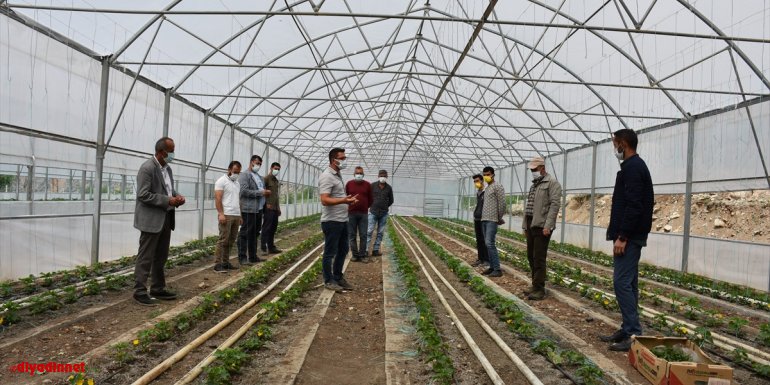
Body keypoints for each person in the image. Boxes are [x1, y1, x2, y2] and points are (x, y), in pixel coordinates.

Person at [599, 128, 654, 352]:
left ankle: (633, 333)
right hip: (631, 234)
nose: (615, 148)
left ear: (623, 143)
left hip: (629, 236)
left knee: (621, 282)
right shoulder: (632, 167)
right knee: (629, 282)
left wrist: (622, 236)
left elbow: (634, 206)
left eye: (615, 144)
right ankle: (627, 327)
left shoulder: (633, 168)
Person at [133, 137, 185, 306]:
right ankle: (140, 291)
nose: (173, 154)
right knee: (146, 256)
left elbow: (168, 189)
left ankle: (157, 288)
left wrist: (176, 196)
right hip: (151, 220)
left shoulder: (167, 169)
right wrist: (167, 200)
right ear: (162, 152)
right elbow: (142, 194)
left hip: (166, 218)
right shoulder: (147, 168)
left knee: (161, 256)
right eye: (171, 151)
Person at [522, 156, 562, 300]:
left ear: (542, 168)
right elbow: (529, 208)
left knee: (538, 257)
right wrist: (524, 226)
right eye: (531, 169)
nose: (532, 171)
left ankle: (540, 289)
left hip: (542, 225)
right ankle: (535, 284)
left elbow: (554, 205)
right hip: (531, 224)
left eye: (534, 169)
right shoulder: (534, 185)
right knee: (530, 256)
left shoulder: (552, 184)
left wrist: (548, 225)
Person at [319, 148, 358, 292]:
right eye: (342, 158)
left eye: (344, 157)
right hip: (331, 221)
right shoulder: (327, 176)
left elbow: (336, 197)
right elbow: (324, 199)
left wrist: (348, 201)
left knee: (343, 250)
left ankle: (337, 277)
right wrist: (344, 200)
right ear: (333, 160)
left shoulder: (337, 175)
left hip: (342, 220)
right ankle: (328, 280)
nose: (344, 160)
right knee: (330, 252)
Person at [238, 155, 270, 265]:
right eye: (257, 163)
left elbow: (262, 191)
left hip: (259, 209)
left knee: (255, 233)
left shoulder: (260, 178)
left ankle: (253, 256)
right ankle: (242, 257)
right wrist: (261, 193)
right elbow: (243, 191)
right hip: (248, 209)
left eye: (260, 164)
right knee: (245, 233)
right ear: (251, 162)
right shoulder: (244, 175)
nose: (258, 166)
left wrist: (265, 194)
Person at [213, 161, 243, 273]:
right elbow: (218, 198)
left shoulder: (237, 183)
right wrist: (221, 213)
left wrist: (240, 215)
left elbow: (238, 200)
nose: (236, 174)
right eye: (235, 171)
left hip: (235, 214)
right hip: (226, 214)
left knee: (231, 240)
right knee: (223, 240)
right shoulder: (221, 181)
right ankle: (217, 264)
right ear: (229, 169)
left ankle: (225, 262)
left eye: (238, 172)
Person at [480, 166, 505, 277]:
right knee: (487, 243)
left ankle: (497, 269)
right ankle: (491, 267)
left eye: (488, 174)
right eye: (484, 174)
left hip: (492, 219)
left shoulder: (497, 186)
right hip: (484, 219)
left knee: (490, 243)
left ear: (493, 174)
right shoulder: (487, 188)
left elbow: (502, 203)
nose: (486, 176)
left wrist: (499, 217)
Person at [346, 166, 373, 263]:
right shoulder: (349, 184)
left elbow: (371, 199)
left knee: (363, 235)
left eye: (360, 173)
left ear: (363, 174)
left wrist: (365, 206)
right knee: (352, 235)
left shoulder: (367, 185)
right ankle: (355, 255)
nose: (359, 175)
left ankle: (362, 255)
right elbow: (346, 197)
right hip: (351, 213)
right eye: (357, 173)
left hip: (363, 214)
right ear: (354, 174)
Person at [367, 169, 394, 257]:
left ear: (386, 177)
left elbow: (391, 200)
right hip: (373, 212)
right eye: (381, 175)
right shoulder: (372, 186)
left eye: (384, 176)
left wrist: (385, 206)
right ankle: (366, 250)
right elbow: (368, 197)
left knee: (380, 232)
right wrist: (372, 205)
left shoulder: (389, 188)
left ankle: (375, 250)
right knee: (369, 231)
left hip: (383, 213)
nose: (382, 177)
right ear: (378, 176)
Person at [261, 162, 282, 254]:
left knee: (273, 228)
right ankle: (263, 247)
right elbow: (261, 193)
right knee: (266, 227)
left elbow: (276, 195)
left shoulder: (276, 181)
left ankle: (271, 247)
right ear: (271, 168)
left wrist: (278, 208)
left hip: (275, 208)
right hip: (268, 208)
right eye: (275, 168)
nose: (276, 170)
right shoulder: (266, 179)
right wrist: (265, 204)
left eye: (278, 169)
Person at [470, 174, 489, 267]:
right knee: (479, 240)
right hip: (477, 218)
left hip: (484, 219)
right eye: (474, 181)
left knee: (484, 240)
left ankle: (486, 260)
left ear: (482, 181)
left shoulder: (486, 191)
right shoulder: (479, 192)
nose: (476, 183)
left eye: (477, 180)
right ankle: (480, 258)